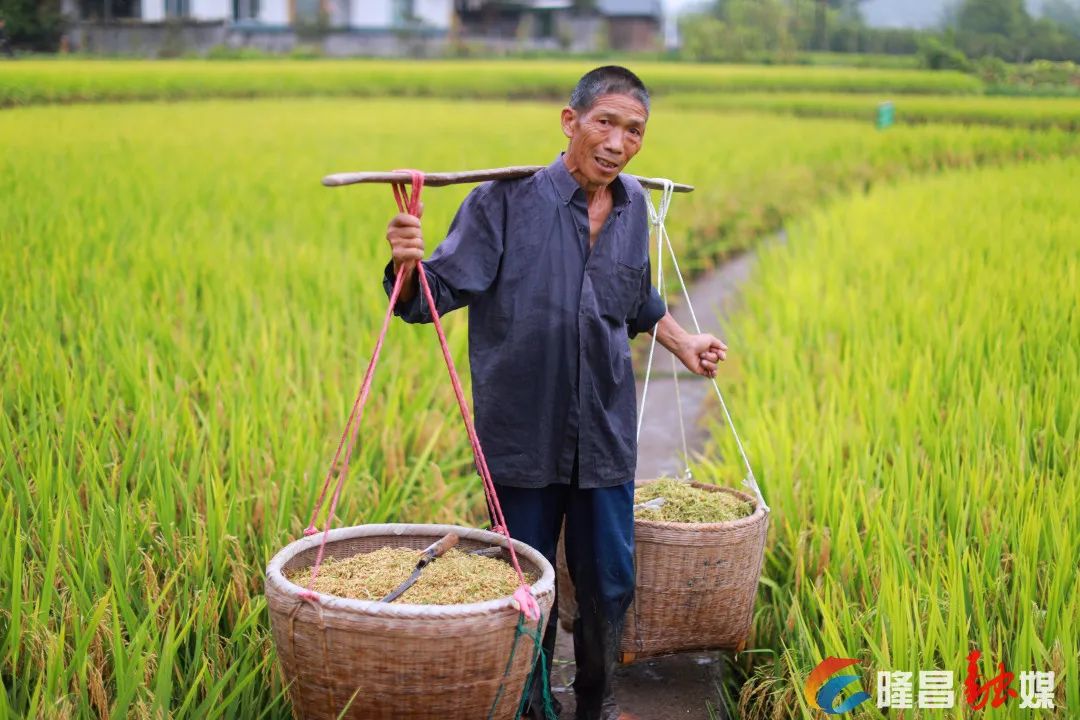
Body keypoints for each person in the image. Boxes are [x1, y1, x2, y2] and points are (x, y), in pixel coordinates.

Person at [383, 65, 727, 720]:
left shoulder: (632, 208)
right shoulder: (502, 204)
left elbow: (636, 299)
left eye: (634, 130)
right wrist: (406, 262)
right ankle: (530, 708)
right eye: (606, 122)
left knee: (609, 584)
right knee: (524, 588)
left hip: (603, 432)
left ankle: (595, 705)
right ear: (570, 122)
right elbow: (429, 298)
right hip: (522, 436)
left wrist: (682, 341)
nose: (619, 142)